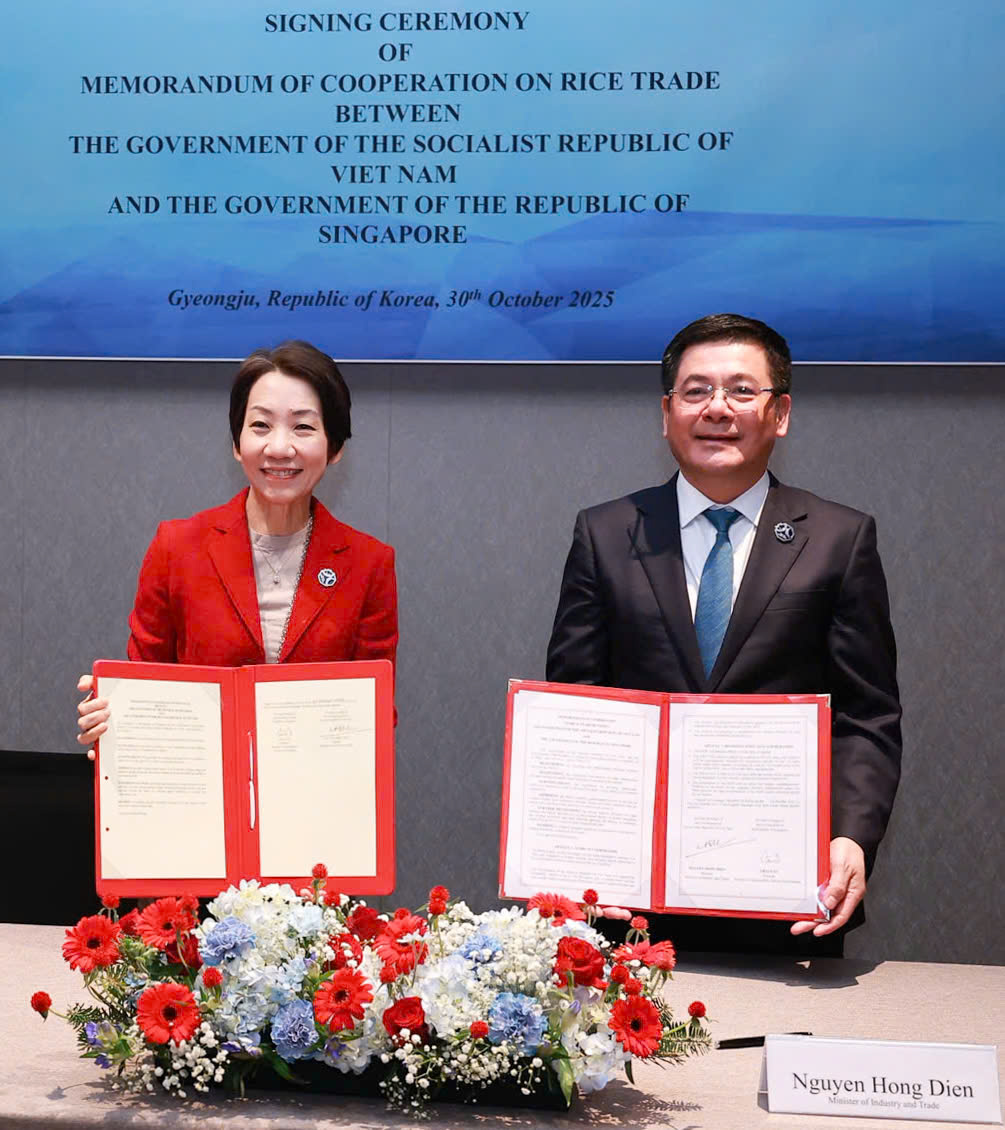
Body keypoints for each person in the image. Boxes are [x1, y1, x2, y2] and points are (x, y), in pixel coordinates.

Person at [546, 313, 901, 955]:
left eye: (741, 390)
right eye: (696, 391)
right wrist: (579, 851)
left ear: (780, 412)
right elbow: (577, 712)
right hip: (632, 907)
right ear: (667, 412)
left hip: (787, 898)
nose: (717, 408)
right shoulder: (604, 534)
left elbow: (866, 716)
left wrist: (850, 836)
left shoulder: (838, 539)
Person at [77, 340, 397, 747]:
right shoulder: (176, 548)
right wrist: (115, 720)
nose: (279, 448)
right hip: (200, 782)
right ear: (236, 442)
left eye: (303, 427)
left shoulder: (369, 564)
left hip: (315, 785)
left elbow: (375, 713)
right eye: (260, 425)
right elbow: (146, 687)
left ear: (334, 448)